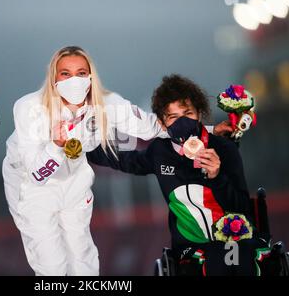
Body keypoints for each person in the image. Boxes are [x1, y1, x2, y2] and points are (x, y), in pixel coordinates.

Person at [2, 46, 230, 276]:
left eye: (81, 73)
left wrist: (209, 130)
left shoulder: (106, 103)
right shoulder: (30, 108)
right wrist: (56, 146)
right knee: (52, 265)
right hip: (31, 186)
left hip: (74, 176)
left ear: (90, 77)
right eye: (65, 73)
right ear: (53, 77)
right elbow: (36, 174)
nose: (74, 80)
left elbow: (152, 127)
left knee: (83, 259)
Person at [87, 74, 271, 276]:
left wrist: (216, 176)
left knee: (231, 258)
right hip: (190, 246)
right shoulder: (160, 151)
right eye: (173, 117)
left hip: (234, 239)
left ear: (199, 114)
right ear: (162, 124)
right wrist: (79, 148)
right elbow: (122, 160)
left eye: (187, 113)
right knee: (210, 263)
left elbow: (241, 207)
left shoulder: (224, 147)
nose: (182, 122)